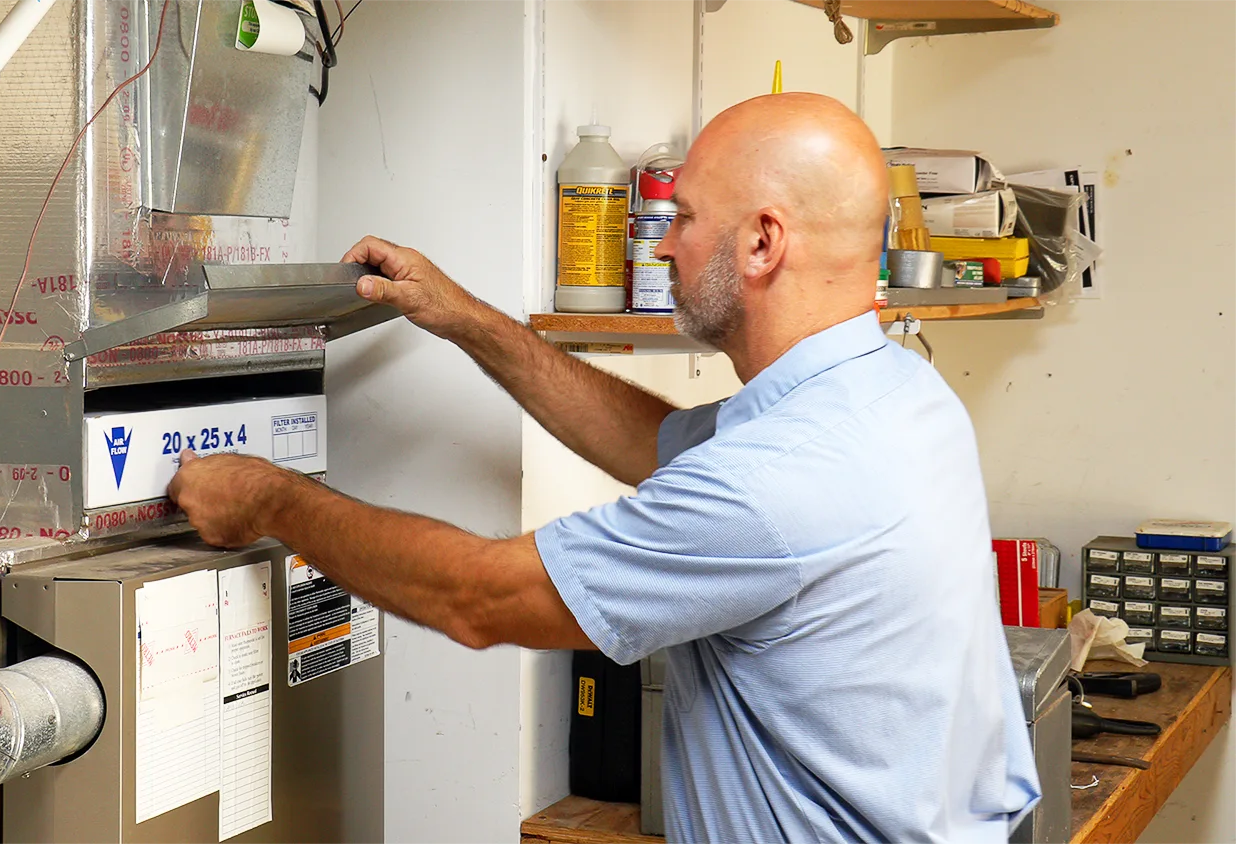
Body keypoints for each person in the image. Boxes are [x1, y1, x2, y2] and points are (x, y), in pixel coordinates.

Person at [169, 92, 1040, 843]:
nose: (663, 248)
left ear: (763, 243)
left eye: (682, 219)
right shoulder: (896, 395)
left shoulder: (777, 482)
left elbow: (475, 598)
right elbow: (655, 445)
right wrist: (467, 317)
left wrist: (270, 497)